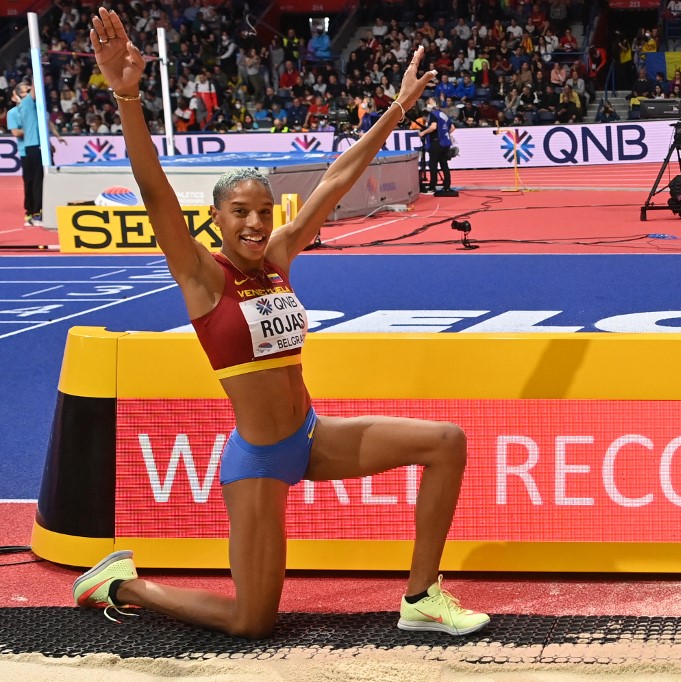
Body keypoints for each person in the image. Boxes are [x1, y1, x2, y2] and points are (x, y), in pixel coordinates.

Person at [72, 8, 489, 640]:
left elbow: (339, 176)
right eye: (240, 212)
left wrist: (398, 110)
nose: (255, 225)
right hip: (260, 459)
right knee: (252, 620)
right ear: (216, 216)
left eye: (263, 212)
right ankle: (122, 584)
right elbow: (155, 190)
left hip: (311, 437)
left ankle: (422, 597)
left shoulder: (279, 256)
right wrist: (127, 95)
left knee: (446, 442)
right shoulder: (201, 276)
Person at [7, 81, 65, 226]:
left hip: (40, 146)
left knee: (45, 179)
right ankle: (34, 212)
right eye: (24, 91)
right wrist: (37, 69)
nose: (28, 93)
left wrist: (53, 139)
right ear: (17, 96)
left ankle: (41, 210)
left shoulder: (38, 108)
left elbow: (47, 124)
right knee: (34, 181)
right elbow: (16, 132)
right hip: (30, 148)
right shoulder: (24, 105)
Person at [418, 97, 454, 194]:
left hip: (436, 142)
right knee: (444, 165)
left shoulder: (433, 115)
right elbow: (452, 127)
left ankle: (432, 187)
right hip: (444, 143)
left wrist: (423, 133)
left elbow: (433, 127)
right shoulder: (443, 114)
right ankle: (447, 186)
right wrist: (444, 134)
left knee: (433, 165)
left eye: (428, 102)